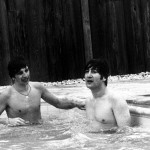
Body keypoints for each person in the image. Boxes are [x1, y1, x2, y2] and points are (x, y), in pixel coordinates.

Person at [0, 56, 85, 126]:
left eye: (26, 70)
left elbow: (58, 103)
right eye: (20, 73)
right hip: (20, 137)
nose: (25, 75)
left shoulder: (37, 88)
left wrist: (76, 103)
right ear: (13, 77)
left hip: (40, 132)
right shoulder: (6, 95)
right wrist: (7, 121)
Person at [84, 58, 131, 131]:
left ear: (104, 77)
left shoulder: (116, 100)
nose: (88, 75)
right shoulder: (88, 101)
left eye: (94, 72)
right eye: (87, 72)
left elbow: (126, 132)